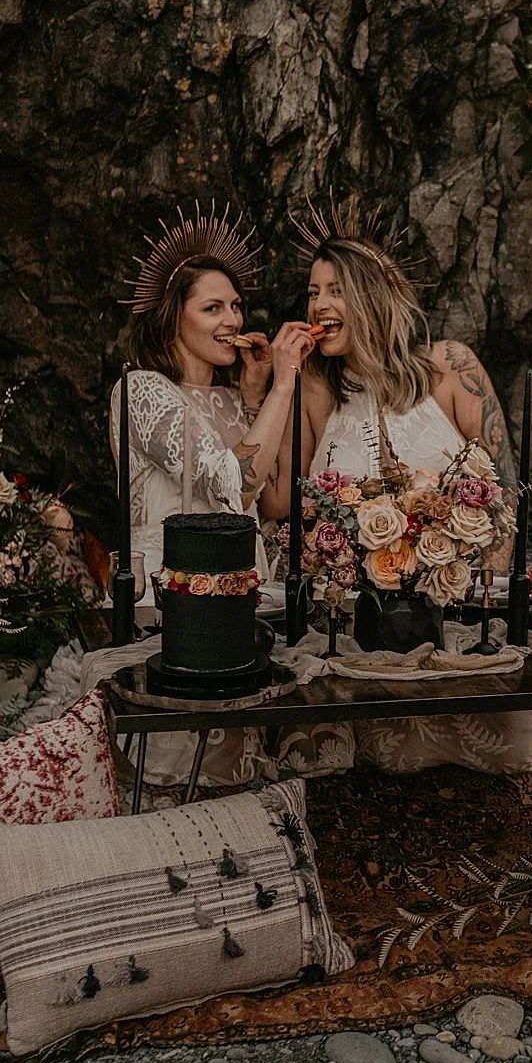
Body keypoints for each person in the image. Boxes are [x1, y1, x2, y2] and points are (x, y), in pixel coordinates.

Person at [269, 227, 532, 775]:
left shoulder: (451, 366)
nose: (319, 304)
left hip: (457, 621)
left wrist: (480, 602)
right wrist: (276, 382)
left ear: (372, 295)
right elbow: (281, 504)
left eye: (336, 290)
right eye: (313, 292)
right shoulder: (317, 388)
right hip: (352, 629)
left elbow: (506, 490)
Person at [110, 205, 345, 785]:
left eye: (236, 306)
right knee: (184, 767)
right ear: (173, 318)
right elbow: (230, 479)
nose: (231, 319)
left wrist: (256, 393)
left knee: (246, 762)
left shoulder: (230, 398)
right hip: (170, 601)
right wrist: (285, 382)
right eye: (212, 307)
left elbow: (260, 499)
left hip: (241, 595)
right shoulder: (141, 390)